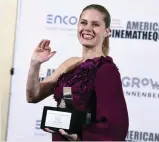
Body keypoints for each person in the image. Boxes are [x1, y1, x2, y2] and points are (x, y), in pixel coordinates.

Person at [26, 4, 129, 141]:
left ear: (107, 32)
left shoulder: (106, 69)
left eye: (95, 24)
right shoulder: (70, 64)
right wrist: (35, 64)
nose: (87, 28)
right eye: (83, 22)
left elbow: (116, 127)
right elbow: (33, 96)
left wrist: (80, 139)